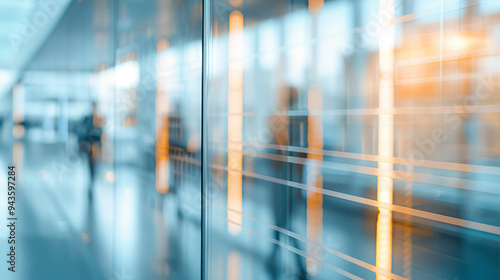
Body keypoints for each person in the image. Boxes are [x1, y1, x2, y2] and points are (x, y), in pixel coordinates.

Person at [268, 86, 308, 279]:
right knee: (280, 218)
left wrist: (299, 184)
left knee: (285, 220)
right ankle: (278, 255)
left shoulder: (298, 117)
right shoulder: (277, 118)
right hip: (281, 175)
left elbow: (302, 153)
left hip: (289, 175)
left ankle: (299, 263)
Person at [77, 103, 103, 198]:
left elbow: (100, 132)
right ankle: (91, 181)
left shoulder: (98, 119)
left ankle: (93, 181)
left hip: (95, 147)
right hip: (89, 146)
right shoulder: (87, 118)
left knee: (95, 166)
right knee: (90, 166)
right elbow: (82, 131)